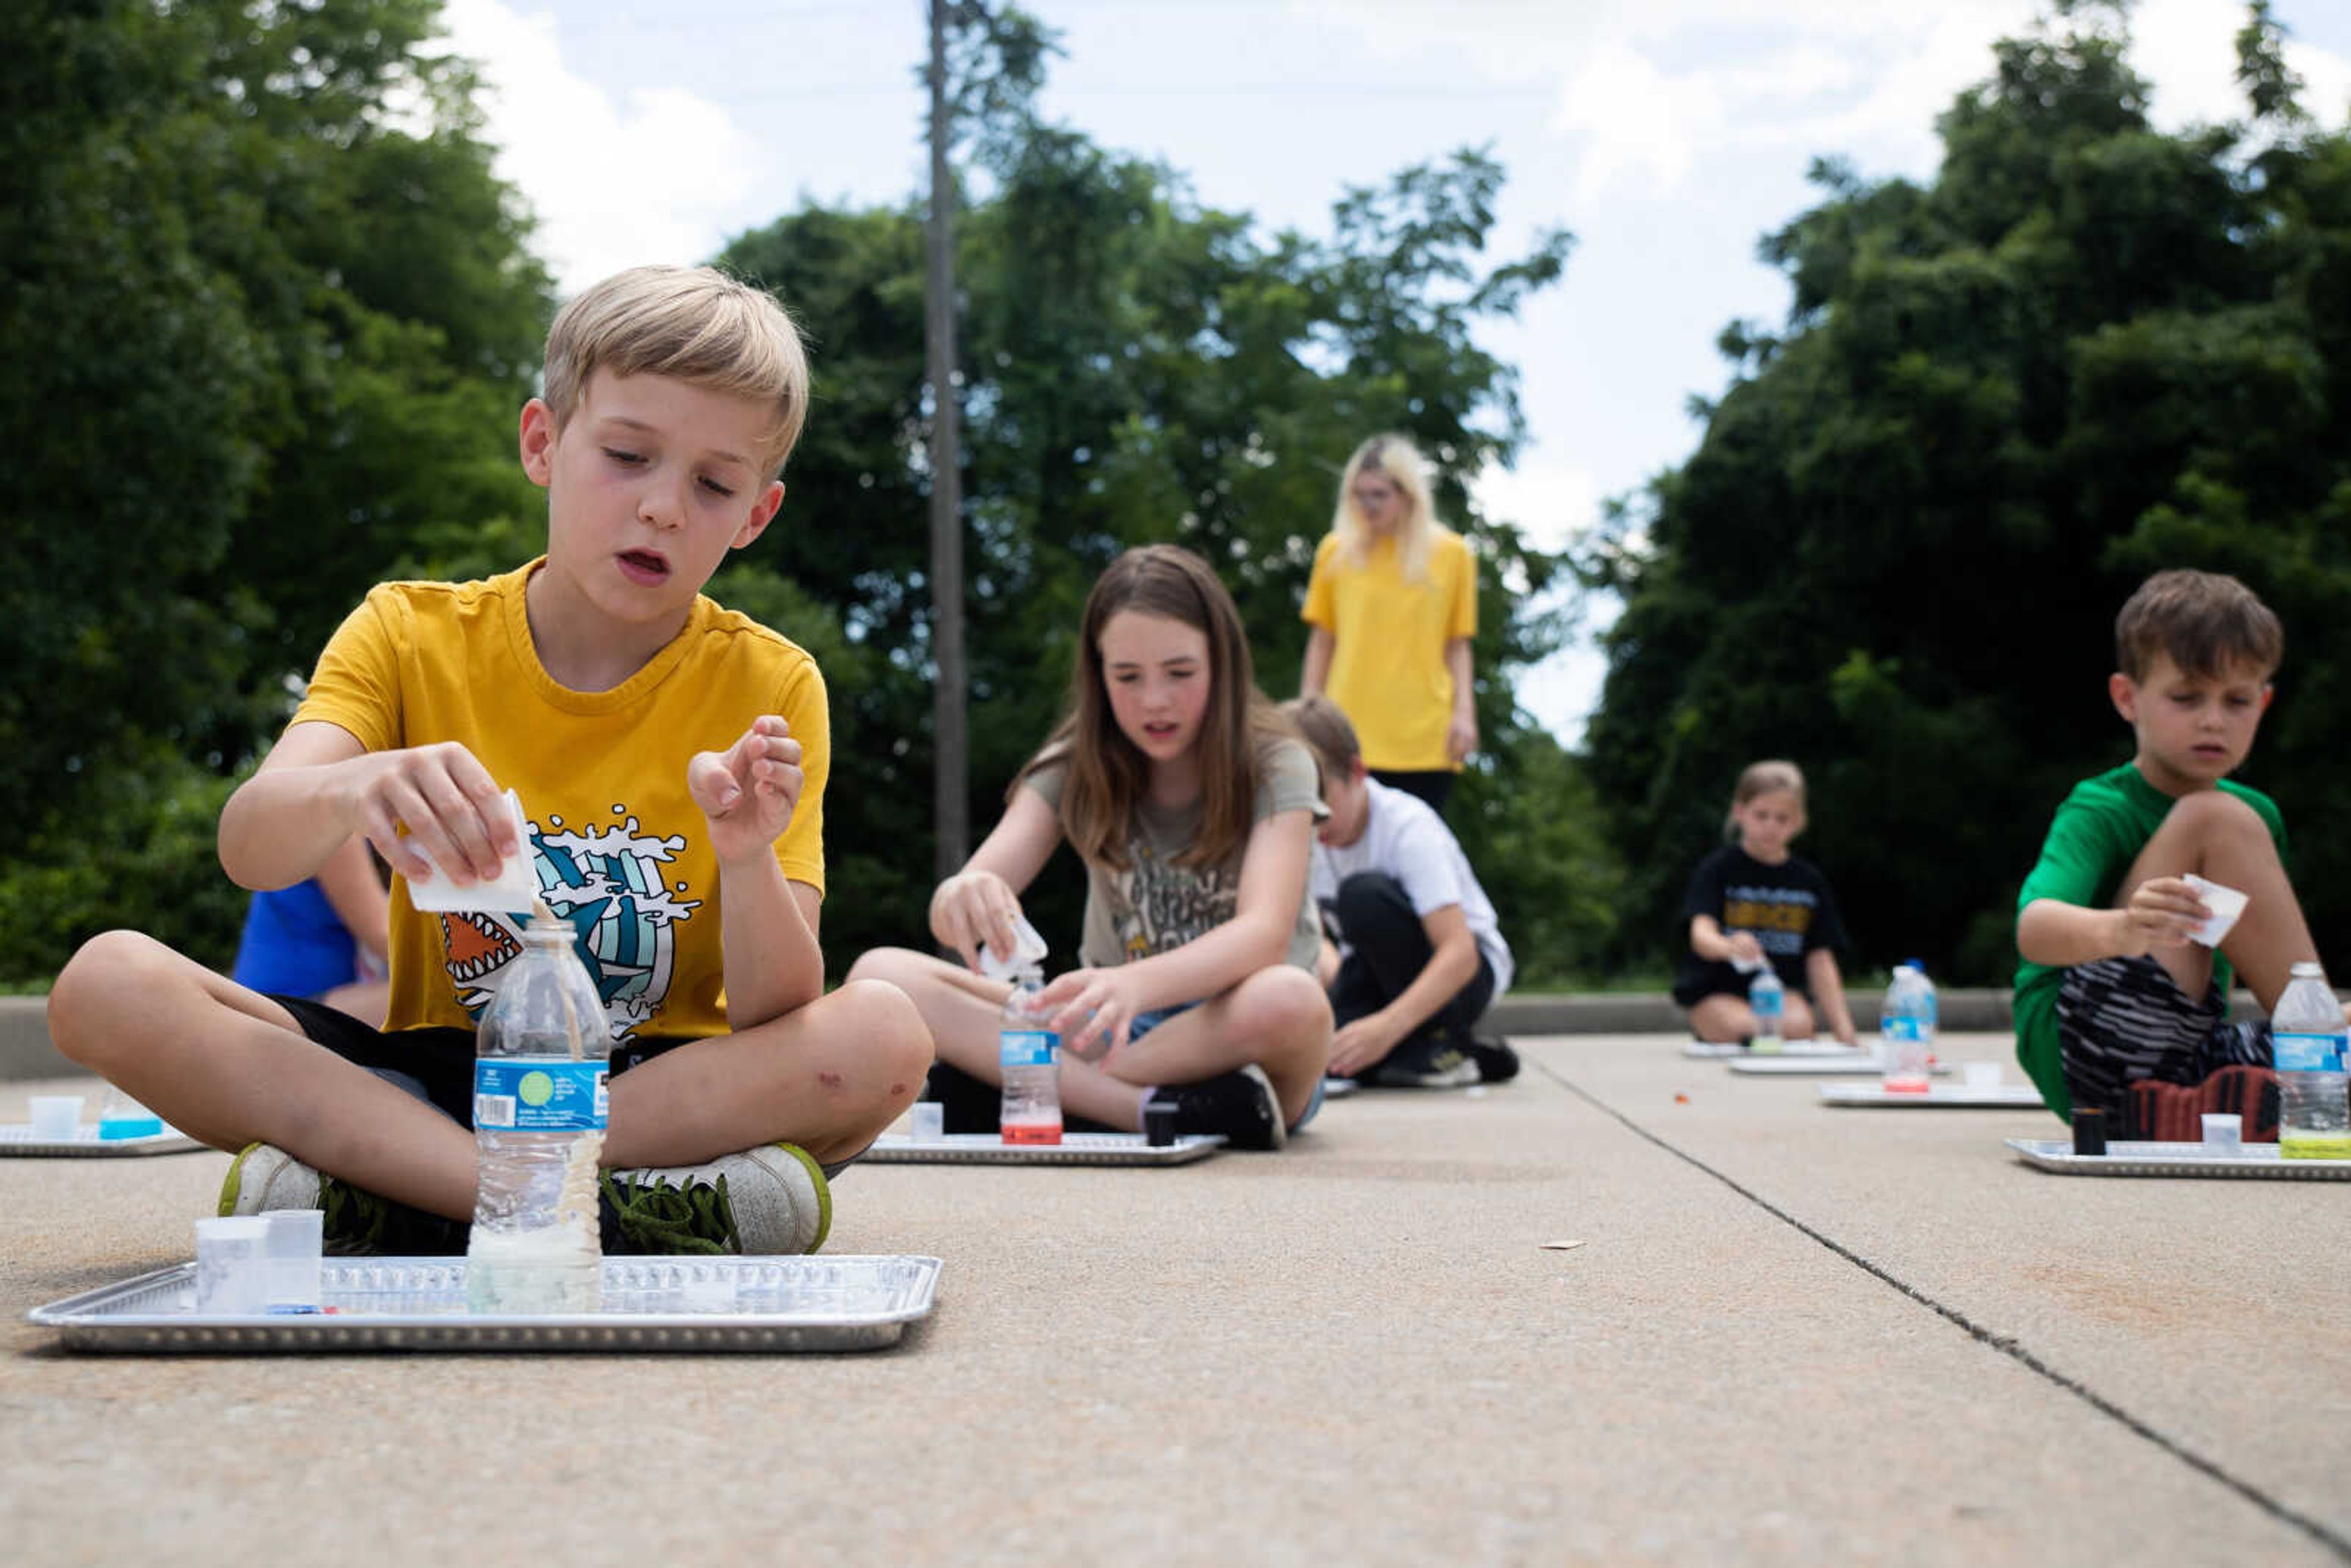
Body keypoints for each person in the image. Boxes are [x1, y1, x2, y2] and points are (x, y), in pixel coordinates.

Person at [47, 264, 931, 1254]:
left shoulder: (772, 680)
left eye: (713, 484)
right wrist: (356, 783)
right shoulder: (405, 630)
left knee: (887, 1033)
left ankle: (394, 1190)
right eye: (630, 455)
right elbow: (253, 847)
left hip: (659, 1085)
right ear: (543, 443)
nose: (665, 508)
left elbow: (780, 1009)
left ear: (756, 516)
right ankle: (549, 1201)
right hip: (429, 1072)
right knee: (106, 982)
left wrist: (745, 855)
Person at [849, 544, 1332, 1150]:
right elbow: (953, 908)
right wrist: (964, 892)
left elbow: (1264, 934)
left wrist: (1135, 985)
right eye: (1127, 676)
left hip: (1234, 1030)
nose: (1155, 699)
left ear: (1222, 664)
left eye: (1180, 672)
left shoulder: (1278, 762)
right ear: (1098, 675)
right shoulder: (1076, 762)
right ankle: (1147, 1111)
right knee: (883, 976)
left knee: (1291, 998)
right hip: (1111, 1027)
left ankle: (1049, 1089)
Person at [2013, 568, 2330, 1127]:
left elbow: (2246, 976)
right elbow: (2034, 930)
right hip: (2089, 1054)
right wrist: (2124, 928)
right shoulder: (2100, 808)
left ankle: (2221, 1100)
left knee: (2335, 1026)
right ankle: (2325, 1065)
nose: (2213, 719)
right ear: (2126, 697)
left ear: (2265, 702)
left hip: (2184, 1053)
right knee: (2215, 816)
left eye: (2237, 700)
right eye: (2186, 697)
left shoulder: (2258, 815)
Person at [1283, 695, 1518, 1089]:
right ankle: (1449, 1053)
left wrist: (1386, 1027)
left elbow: (1458, 954)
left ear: (1357, 772)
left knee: (1363, 897)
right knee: (1329, 1058)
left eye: (1324, 803)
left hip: (1467, 975)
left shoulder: (1408, 827)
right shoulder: (1308, 837)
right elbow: (1319, 942)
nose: (1315, 822)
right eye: (1302, 807)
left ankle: (1440, 1041)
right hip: (1373, 970)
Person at [1299, 433, 1478, 812]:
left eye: (1379, 495)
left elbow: (1457, 645)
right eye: (1359, 495)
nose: (1367, 506)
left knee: (1414, 859)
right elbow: (1322, 640)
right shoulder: (1336, 553)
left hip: (1425, 738)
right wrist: (1308, 712)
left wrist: (1464, 714)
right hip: (1348, 734)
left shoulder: (1452, 554)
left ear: (1408, 495)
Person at [1673, 760, 1858, 1046]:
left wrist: (1845, 1033)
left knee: (1800, 1024)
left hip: (1781, 993)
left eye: (1782, 818)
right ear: (1740, 812)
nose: (1771, 826)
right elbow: (1701, 935)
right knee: (1738, 1025)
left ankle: (1761, 1036)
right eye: (1762, 815)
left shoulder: (1808, 880)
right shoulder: (1717, 869)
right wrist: (1729, 946)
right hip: (1717, 992)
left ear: (1798, 821)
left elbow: (1820, 959)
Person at [230, 837, 393, 1029]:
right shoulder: (335, 825)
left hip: (328, 995)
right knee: (429, 999)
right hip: (279, 1009)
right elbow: (385, 938)